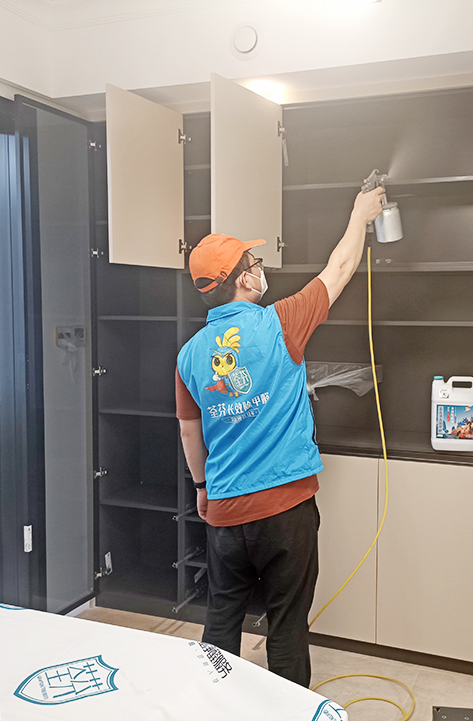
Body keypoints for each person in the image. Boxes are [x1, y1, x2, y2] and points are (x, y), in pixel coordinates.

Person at [175, 187, 384, 687]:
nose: (260, 267)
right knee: (287, 626)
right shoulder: (281, 322)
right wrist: (360, 215)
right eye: (254, 262)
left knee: (222, 619)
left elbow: (190, 428)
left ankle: (210, 705)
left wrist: (202, 488)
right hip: (286, 509)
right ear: (243, 279)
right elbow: (340, 267)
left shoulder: (189, 354)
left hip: (225, 511)